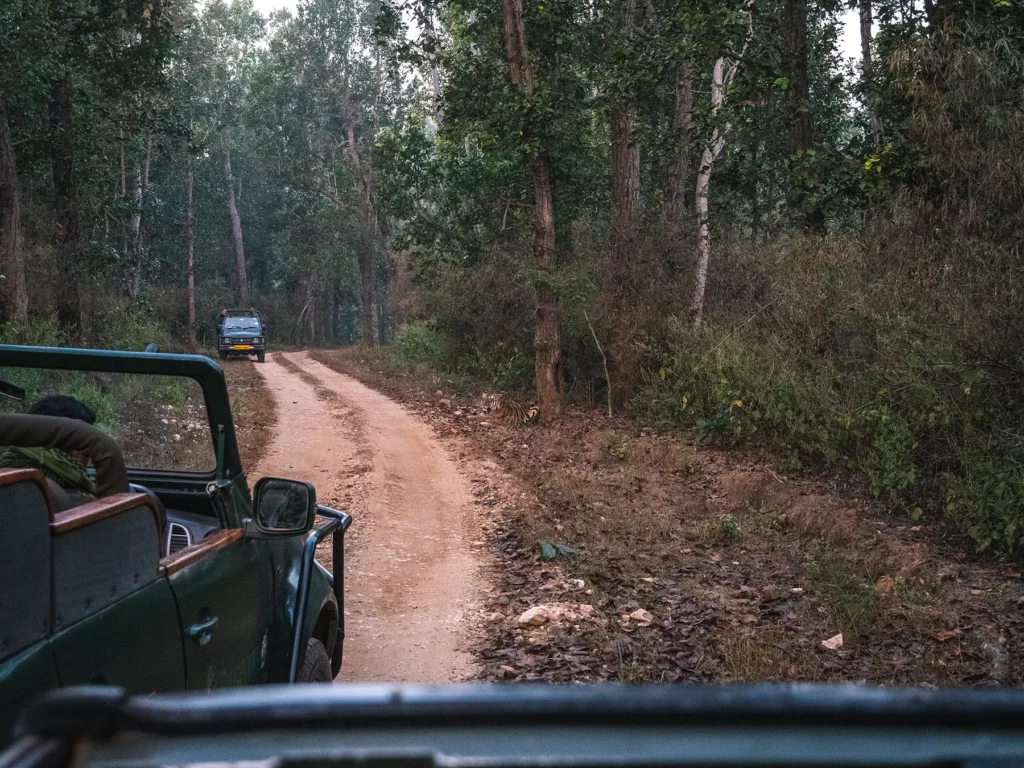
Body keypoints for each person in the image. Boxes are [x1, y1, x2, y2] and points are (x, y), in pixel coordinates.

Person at [0, 395, 99, 499]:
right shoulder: (57, 494)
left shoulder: (8, 470)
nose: (88, 452)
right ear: (77, 451)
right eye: (83, 441)